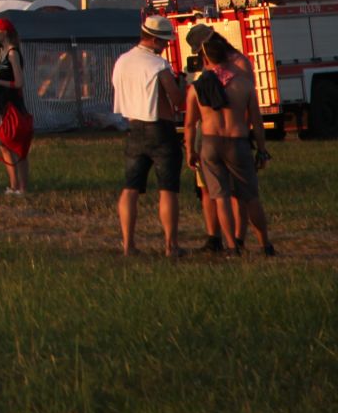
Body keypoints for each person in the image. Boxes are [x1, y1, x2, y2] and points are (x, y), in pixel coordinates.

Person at [186, 33, 275, 256]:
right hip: (238, 142)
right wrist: (262, 151)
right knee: (250, 196)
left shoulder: (197, 88)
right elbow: (257, 122)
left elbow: (189, 124)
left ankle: (232, 247)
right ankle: (265, 244)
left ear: (206, 60)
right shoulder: (244, 84)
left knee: (220, 197)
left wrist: (190, 150)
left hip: (210, 142)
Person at [113, 16, 185, 257]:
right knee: (167, 189)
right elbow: (176, 99)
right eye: (163, 42)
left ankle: (128, 245)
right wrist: (184, 86)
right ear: (154, 39)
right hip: (160, 129)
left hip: (134, 129)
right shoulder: (158, 65)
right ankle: (170, 246)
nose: (165, 46)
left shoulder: (122, 61)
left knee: (130, 188)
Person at [183, 24, 252, 252]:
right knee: (208, 189)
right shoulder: (210, 66)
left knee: (235, 192)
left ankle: (237, 238)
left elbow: (247, 101)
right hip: (209, 131)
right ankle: (214, 238)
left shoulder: (239, 62)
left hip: (233, 132)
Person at [0, 19, 34, 195]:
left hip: (13, 105)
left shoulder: (13, 53)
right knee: (4, 144)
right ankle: (14, 185)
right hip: (4, 104)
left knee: (17, 145)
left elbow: (19, 81)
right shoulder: (5, 53)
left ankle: (22, 186)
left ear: (4, 32)